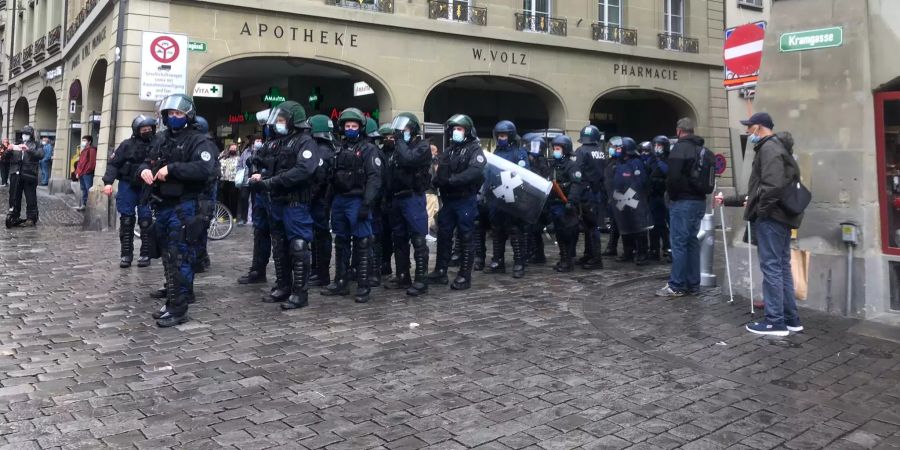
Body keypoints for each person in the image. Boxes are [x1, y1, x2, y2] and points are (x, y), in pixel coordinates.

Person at [138, 94, 217, 327]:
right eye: (170, 114)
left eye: (178, 114)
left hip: (185, 205)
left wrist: (171, 169)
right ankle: (173, 298)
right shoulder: (161, 139)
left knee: (179, 255)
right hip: (163, 204)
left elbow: (204, 168)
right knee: (166, 255)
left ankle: (179, 306)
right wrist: (143, 170)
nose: (174, 117)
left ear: (188, 115)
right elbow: (147, 160)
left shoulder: (199, 141)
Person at [726, 113, 804, 336]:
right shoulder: (778, 148)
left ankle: (775, 322)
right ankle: (791, 319)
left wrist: (762, 212)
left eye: (749, 127)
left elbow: (771, 186)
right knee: (781, 267)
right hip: (780, 217)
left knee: (772, 267)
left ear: (759, 127)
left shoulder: (769, 148)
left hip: (772, 218)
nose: (748, 131)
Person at [249, 101, 320, 310]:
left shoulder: (305, 142)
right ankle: (283, 286)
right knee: (279, 246)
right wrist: (259, 173)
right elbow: (268, 164)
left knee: (298, 246)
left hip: (295, 203)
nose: (278, 124)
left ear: (292, 121)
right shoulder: (278, 142)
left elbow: (303, 170)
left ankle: (300, 293)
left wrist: (272, 181)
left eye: (281, 120)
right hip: (276, 202)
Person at [320, 108, 382, 303]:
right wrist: (327, 203)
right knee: (341, 241)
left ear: (361, 128)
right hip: (340, 199)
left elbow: (374, 178)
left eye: (354, 126)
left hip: (357, 199)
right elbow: (331, 178)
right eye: (347, 126)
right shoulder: (338, 148)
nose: (350, 129)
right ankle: (340, 281)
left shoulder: (368, 149)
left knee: (363, 241)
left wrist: (366, 203)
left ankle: (363, 285)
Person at [427, 114, 487, 290]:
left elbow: (475, 171)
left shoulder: (474, 149)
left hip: (464, 200)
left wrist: (452, 180)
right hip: (449, 201)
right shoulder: (450, 150)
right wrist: (436, 181)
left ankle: (464, 275)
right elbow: (441, 172)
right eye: (454, 129)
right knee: (444, 235)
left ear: (467, 131)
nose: (456, 132)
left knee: (466, 236)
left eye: (459, 129)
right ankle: (440, 271)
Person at [656, 118, 708, 297]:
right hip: (699, 201)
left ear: (679, 131)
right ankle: (693, 284)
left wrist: (672, 197)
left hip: (682, 202)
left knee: (678, 243)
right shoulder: (701, 149)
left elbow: (673, 178)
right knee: (692, 242)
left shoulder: (679, 148)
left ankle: (676, 285)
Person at [385, 112, 432, 296]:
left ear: (412, 129)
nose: (399, 133)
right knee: (399, 238)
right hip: (397, 197)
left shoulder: (422, 146)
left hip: (413, 197)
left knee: (418, 239)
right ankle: (402, 275)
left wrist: (399, 142)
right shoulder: (398, 147)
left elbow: (409, 159)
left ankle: (421, 280)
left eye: (403, 129)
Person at [101, 114, 156, 268]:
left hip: (147, 186)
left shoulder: (157, 144)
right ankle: (126, 254)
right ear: (137, 130)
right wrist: (108, 182)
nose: (147, 131)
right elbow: (114, 164)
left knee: (146, 221)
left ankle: (146, 253)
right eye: (144, 129)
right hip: (127, 185)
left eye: (149, 128)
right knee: (126, 220)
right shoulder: (126, 145)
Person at [483, 120, 530, 278]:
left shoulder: (519, 153)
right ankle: (498, 261)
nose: (501, 138)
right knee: (497, 231)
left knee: (515, 230)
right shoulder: (496, 153)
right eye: (499, 135)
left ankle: (519, 262)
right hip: (497, 198)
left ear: (510, 136)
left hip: (513, 198)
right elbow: (490, 173)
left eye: (503, 135)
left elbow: (524, 175)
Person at [611, 137, 652, 265]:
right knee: (624, 226)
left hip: (634, 199)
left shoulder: (636, 163)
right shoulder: (619, 163)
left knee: (639, 227)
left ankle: (642, 253)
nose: (616, 150)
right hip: (621, 199)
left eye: (619, 148)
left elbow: (641, 182)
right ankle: (628, 251)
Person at [547, 135, 583, 272]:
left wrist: (571, 201)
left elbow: (576, 185)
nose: (555, 151)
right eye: (554, 148)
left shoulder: (572, 166)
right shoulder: (554, 166)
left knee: (568, 234)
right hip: (555, 204)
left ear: (565, 150)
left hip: (565, 204)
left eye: (557, 148)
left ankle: (568, 261)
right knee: (559, 233)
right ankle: (563, 258)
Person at [307, 115, 336, 288]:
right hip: (321, 199)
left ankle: (321, 272)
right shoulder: (328, 148)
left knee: (320, 236)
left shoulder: (321, 151)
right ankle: (316, 269)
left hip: (319, 200)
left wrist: (309, 198)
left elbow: (318, 179)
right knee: (317, 236)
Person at [574, 125, 608, 270]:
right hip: (597, 191)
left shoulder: (581, 151)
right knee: (591, 225)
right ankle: (589, 254)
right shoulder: (600, 152)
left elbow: (577, 171)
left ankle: (595, 258)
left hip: (586, 192)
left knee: (591, 226)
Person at [5, 126, 44, 228]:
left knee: (30, 198)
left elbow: (40, 155)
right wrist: (8, 150)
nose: (24, 135)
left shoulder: (36, 144)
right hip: (16, 174)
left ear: (31, 135)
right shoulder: (17, 144)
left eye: (26, 134)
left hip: (29, 174)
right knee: (14, 197)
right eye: (23, 133)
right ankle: (14, 215)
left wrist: (28, 150)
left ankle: (31, 218)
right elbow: (5, 158)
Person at [524, 135, 551, 265]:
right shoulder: (528, 160)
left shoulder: (541, 162)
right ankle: (532, 252)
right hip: (530, 200)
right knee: (529, 229)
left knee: (534, 229)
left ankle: (538, 255)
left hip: (538, 201)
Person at [647, 136, 671, 262]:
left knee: (664, 224)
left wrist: (659, 160)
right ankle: (654, 249)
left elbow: (667, 171)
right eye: (655, 145)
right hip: (653, 195)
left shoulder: (668, 159)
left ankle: (667, 248)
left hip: (664, 196)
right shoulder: (651, 159)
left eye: (659, 145)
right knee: (653, 225)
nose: (657, 148)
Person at [236, 137, 258, 226]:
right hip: (245, 179)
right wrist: (240, 172)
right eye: (257, 141)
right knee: (244, 198)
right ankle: (243, 218)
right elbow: (240, 164)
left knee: (255, 199)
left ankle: (254, 218)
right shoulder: (245, 152)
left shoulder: (261, 151)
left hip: (256, 179)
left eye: (260, 141)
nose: (258, 142)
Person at [75, 135, 97, 211]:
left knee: (88, 189)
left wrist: (86, 171)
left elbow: (92, 163)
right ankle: (84, 205)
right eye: (82, 140)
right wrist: (78, 172)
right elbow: (80, 163)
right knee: (84, 189)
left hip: (87, 174)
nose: (83, 142)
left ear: (89, 142)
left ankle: (89, 206)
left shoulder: (92, 150)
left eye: (84, 140)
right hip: (82, 173)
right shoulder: (84, 150)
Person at [219, 143, 241, 218]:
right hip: (224, 180)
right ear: (228, 149)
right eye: (232, 149)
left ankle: (233, 216)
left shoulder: (238, 157)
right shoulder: (223, 156)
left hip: (234, 180)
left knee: (234, 199)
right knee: (224, 198)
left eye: (235, 149)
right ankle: (224, 216)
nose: (233, 150)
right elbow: (219, 164)